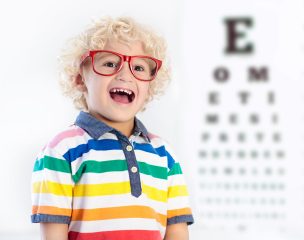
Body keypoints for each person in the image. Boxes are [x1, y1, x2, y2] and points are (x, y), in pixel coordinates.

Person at [31, 16, 194, 240]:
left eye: (138, 67)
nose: (125, 75)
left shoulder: (165, 155)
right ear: (80, 79)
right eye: (109, 63)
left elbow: (177, 231)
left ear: (150, 86)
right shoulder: (60, 150)